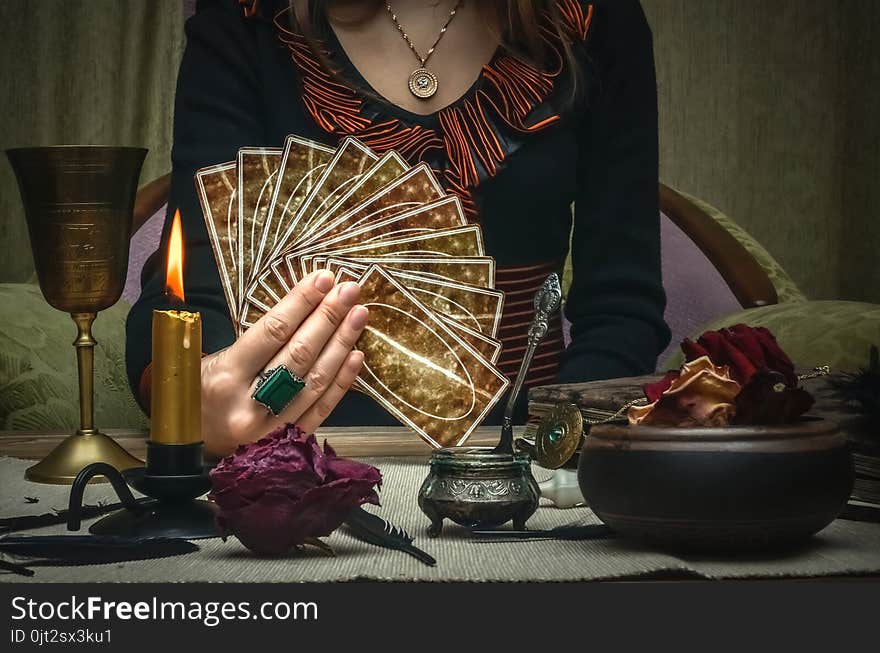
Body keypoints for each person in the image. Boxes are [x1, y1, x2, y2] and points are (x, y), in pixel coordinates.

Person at [126, 0, 670, 456]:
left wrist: (557, 449)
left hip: (530, 466)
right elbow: (190, 296)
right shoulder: (245, 19)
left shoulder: (595, 18)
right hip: (292, 459)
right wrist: (198, 397)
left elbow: (621, 308)